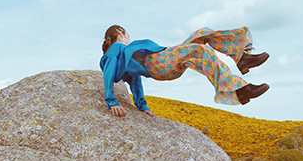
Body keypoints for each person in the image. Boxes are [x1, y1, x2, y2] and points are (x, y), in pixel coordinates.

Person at [100, 25, 269, 117]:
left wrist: (142, 105)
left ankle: (242, 58)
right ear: (120, 33)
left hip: (168, 58)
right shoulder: (117, 48)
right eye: (127, 34)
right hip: (162, 62)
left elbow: (134, 81)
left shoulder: (129, 55)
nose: (129, 37)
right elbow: (109, 69)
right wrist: (111, 100)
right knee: (201, 51)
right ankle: (239, 89)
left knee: (201, 33)